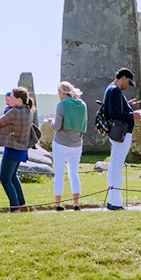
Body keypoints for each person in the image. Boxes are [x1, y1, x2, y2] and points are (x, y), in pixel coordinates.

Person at [104, 68, 141, 210]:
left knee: (115, 165)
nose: (128, 85)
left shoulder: (111, 89)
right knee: (117, 167)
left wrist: (128, 106)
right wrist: (131, 115)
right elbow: (114, 113)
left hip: (118, 133)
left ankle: (114, 199)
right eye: (128, 82)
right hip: (122, 133)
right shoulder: (115, 90)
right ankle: (115, 201)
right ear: (124, 78)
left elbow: (115, 110)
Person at [46, 81, 86, 210]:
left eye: (59, 92)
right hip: (77, 143)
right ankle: (76, 204)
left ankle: (58, 204)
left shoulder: (61, 105)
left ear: (63, 93)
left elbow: (57, 126)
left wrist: (50, 123)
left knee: (59, 174)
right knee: (74, 173)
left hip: (61, 143)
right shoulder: (83, 105)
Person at [0, 86, 36, 212]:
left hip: (12, 147)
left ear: (19, 99)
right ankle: (22, 204)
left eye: (12, 97)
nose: (10, 100)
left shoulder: (13, 112)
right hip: (22, 148)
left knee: (4, 178)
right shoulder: (29, 112)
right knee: (13, 176)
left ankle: (15, 207)